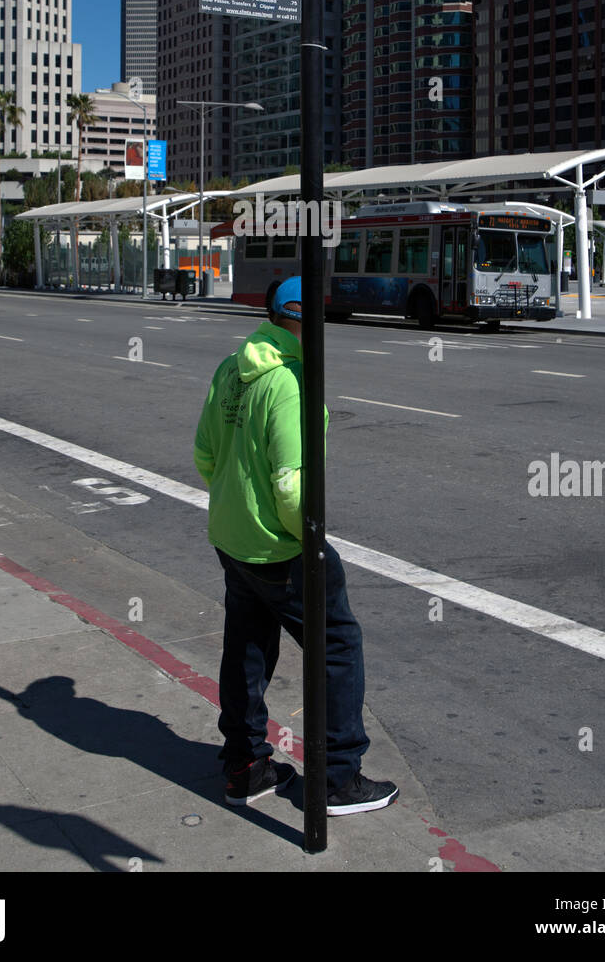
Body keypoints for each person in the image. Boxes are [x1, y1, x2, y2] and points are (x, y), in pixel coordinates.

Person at [193, 275, 399, 816]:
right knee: (336, 645)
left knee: (248, 645)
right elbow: (291, 483)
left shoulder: (231, 369)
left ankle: (245, 765)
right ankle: (335, 778)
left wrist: (239, 501)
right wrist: (304, 539)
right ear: (305, 320)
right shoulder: (289, 381)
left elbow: (205, 456)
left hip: (231, 536)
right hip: (280, 547)